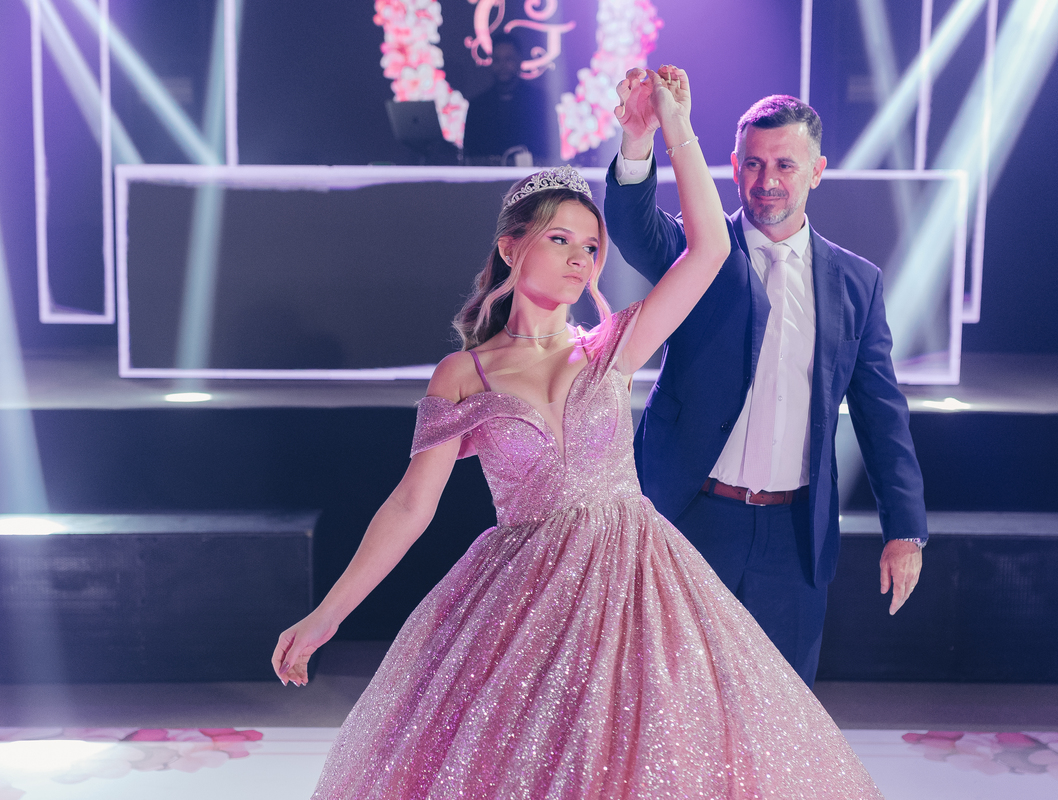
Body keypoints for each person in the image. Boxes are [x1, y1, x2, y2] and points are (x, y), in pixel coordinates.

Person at [273, 67, 884, 799]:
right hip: (525, 599)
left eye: (591, 247)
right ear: (510, 248)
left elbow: (710, 252)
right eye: (559, 239)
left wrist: (672, 127)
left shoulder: (611, 347)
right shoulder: (462, 375)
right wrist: (327, 615)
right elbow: (411, 506)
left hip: (638, 586)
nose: (577, 258)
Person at [604, 75, 928, 687]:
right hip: (691, 517)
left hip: (794, 537)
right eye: (753, 164)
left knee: (782, 714)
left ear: (817, 172)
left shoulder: (857, 283)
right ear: (733, 167)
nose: (767, 180)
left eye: (784, 164)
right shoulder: (700, 252)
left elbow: (882, 414)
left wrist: (905, 529)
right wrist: (639, 138)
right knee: (672, 705)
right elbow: (631, 225)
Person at [463, 32, 554, 166]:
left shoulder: (539, 102)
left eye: (508, 59)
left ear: (519, 61)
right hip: (487, 178)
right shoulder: (478, 105)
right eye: (497, 60)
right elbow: (469, 155)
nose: (503, 66)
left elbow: (550, 151)